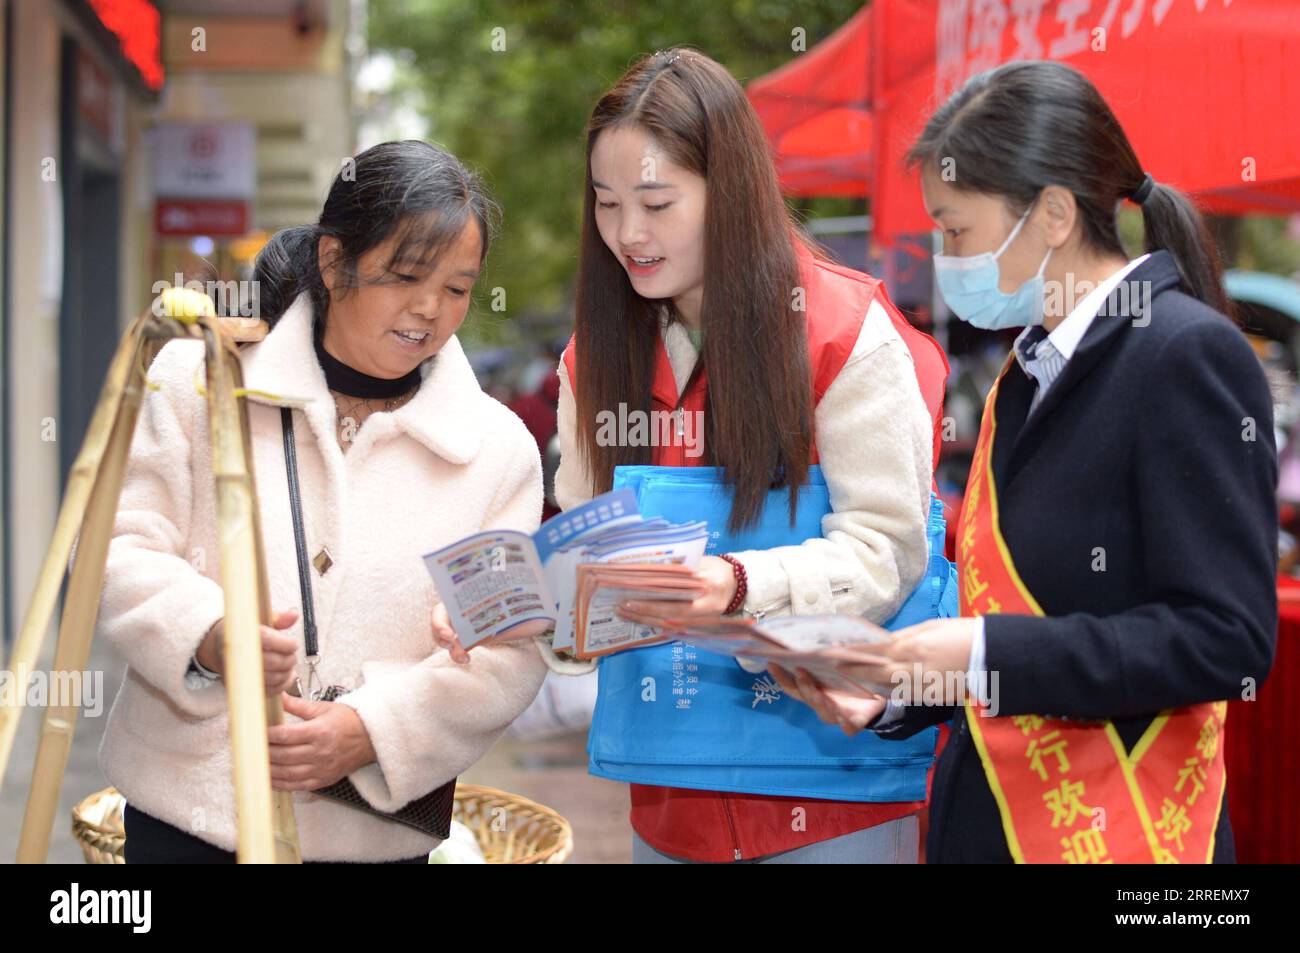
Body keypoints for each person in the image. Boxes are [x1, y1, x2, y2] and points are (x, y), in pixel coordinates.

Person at [773, 60, 1278, 864]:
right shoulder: (1025, 377)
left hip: (1130, 835)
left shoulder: (1186, 356)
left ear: (1050, 213)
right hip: (991, 822)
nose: (945, 256)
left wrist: (978, 650)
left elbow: (1223, 639)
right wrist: (900, 692)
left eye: (957, 230)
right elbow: (1032, 618)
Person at [97, 140, 548, 863]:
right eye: (405, 276)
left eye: (459, 288)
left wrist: (371, 730)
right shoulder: (202, 380)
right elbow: (120, 549)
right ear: (336, 262)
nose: (430, 309)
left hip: (370, 838)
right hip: (188, 820)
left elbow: (509, 650)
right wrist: (211, 635)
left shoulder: (498, 452)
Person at [551, 48, 943, 864]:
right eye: (607, 202)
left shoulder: (844, 333)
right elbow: (584, 551)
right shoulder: (594, 359)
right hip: (667, 797)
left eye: (657, 202)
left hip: (837, 799)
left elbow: (888, 550)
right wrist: (527, 610)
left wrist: (734, 586)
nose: (629, 232)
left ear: (729, 192)